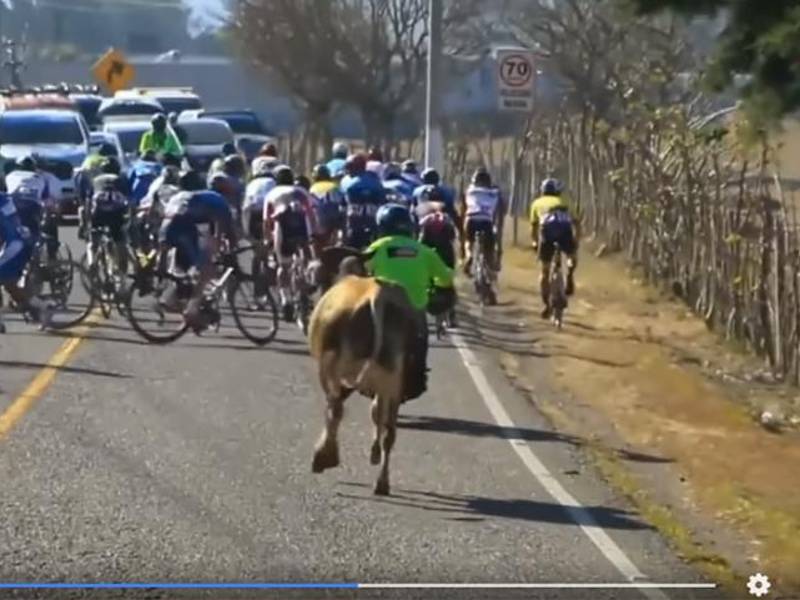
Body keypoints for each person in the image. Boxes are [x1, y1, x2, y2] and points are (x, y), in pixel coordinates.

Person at [364, 203, 455, 400]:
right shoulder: (423, 251)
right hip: (414, 309)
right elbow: (446, 279)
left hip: (382, 308)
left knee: (366, 338)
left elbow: (362, 269)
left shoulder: (379, 247)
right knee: (420, 342)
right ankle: (417, 377)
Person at [159, 170, 237, 331]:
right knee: (207, 270)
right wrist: (230, 252)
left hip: (167, 228)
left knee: (187, 269)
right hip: (183, 228)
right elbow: (226, 233)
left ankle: (172, 296)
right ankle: (192, 310)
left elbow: (211, 232)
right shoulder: (219, 201)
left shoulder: (186, 196)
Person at [263, 165, 314, 321]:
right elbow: (310, 213)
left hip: (282, 227)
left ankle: (286, 299)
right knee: (305, 261)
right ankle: (304, 288)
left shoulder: (271, 193)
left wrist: (268, 239)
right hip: (301, 226)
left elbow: (267, 220)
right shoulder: (301, 192)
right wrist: (313, 233)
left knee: (283, 265)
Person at [0, 192, 51, 333]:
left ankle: (40, 307)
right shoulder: (4, 197)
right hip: (21, 239)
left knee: (5, 280)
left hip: (15, 245)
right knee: (9, 284)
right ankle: (38, 308)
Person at [529, 177, 579, 318]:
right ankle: (570, 273)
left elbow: (534, 227)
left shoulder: (536, 203)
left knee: (544, 271)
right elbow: (576, 222)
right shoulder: (565, 201)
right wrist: (576, 242)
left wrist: (534, 242)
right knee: (571, 256)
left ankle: (546, 304)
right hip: (564, 230)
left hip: (547, 232)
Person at [84, 157, 132, 277]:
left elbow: (88, 202)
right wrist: (129, 218)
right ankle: (122, 272)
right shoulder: (121, 179)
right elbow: (128, 200)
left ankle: (91, 262)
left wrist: (86, 222)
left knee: (93, 240)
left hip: (98, 214)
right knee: (120, 240)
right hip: (116, 214)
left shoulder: (96, 180)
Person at [461, 167, 504, 302]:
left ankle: (469, 256)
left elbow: (464, 211)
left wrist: (462, 242)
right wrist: (499, 240)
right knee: (489, 253)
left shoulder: (469, 191)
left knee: (469, 241)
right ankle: (489, 268)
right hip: (487, 221)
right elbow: (499, 215)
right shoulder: (495, 192)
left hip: (471, 220)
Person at [6, 155, 57, 260]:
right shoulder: (41, 178)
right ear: (34, 167)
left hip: (11, 209)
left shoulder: (10, 176)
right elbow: (47, 201)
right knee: (40, 233)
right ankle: (50, 257)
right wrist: (53, 211)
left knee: (9, 233)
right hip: (32, 209)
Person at [340, 153, 387, 250]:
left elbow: (342, 209)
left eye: (350, 167)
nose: (348, 171)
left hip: (354, 227)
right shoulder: (376, 182)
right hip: (373, 227)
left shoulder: (348, 183)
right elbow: (383, 204)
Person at [309, 163, 345, 251]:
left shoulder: (312, 188)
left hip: (320, 220)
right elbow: (342, 202)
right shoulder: (334, 186)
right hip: (335, 218)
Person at [242, 160, 276, 242]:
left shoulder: (251, 184)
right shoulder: (273, 181)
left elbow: (246, 201)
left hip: (252, 209)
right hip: (267, 209)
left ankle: (251, 238)